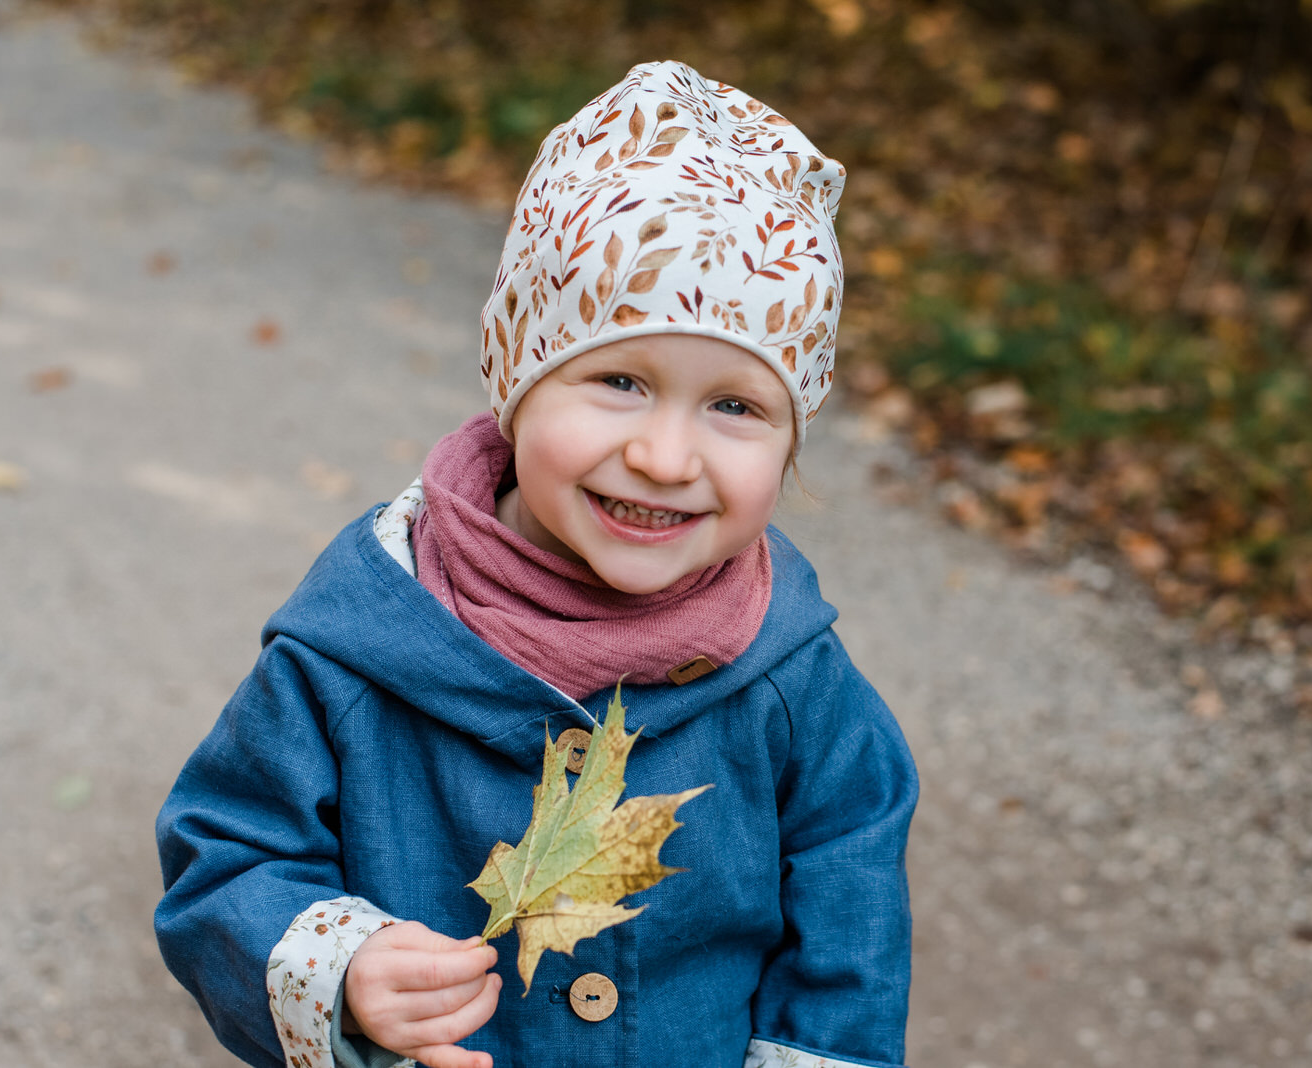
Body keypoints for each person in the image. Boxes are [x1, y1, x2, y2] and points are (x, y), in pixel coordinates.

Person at [155, 59, 917, 1068]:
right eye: (619, 379)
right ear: (517, 380)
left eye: (735, 406)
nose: (664, 456)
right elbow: (227, 856)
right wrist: (343, 970)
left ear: (790, 439)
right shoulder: (356, 647)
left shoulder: (794, 680)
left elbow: (848, 938)